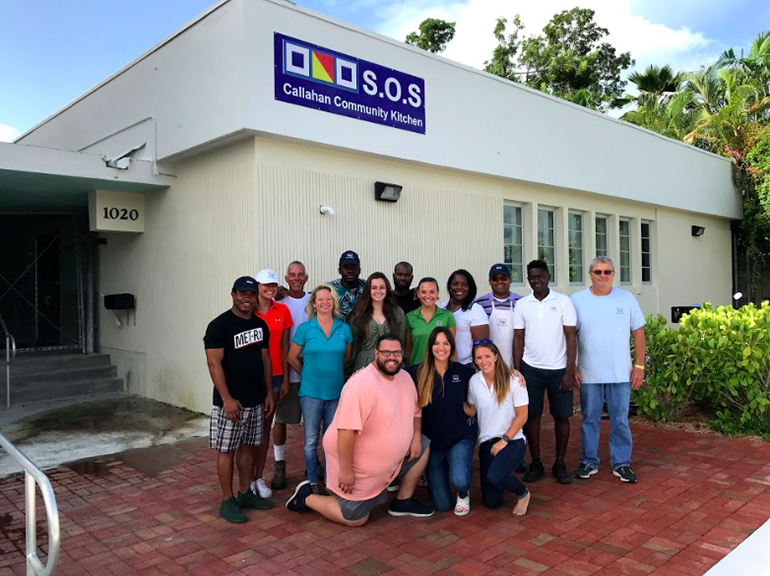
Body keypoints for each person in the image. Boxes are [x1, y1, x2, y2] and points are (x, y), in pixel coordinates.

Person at [285, 334, 434, 525]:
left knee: (423, 444)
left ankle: (403, 501)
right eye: (386, 352)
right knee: (356, 518)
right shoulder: (361, 384)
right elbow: (346, 431)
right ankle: (306, 497)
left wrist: (414, 437)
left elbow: (416, 412)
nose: (392, 357)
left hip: (389, 460)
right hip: (355, 465)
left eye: (396, 352)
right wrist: (346, 471)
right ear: (376, 353)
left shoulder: (404, 377)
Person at [203, 276, 275, 523]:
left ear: (256, 297)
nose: (247, 297)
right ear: (233, 294)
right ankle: (227, 500)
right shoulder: (219, 326)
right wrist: (226, 398)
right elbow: (214, 363)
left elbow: (266, 360)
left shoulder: (260, 325)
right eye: (242, 293)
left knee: (248, 448)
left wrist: (268, 393)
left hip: (255, 399)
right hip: (231, 403)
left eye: (251, 293)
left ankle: (245, 493)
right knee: (227, 451)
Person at [571, 256, 646, 483]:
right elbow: (569, 336)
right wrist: (572, 366)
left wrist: (639, 366)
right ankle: (588, 461)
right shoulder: (577, 300)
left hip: (620, 374)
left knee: (620, 420)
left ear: (614, 274)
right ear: (590, 274)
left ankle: (621, 463)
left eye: (607, 272)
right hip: (589, 374)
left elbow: (639, 333)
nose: (602, 276)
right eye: (598, 272)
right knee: (590, 419)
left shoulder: (627, 299)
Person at [513, 260, 577, 485]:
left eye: (539, 276)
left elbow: (571, 337)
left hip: (559, 369)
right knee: (532, 416)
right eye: (531, 277)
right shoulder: (522, 304)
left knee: (562, 416)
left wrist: (569, 371)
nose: (535, 280)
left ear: (548, 276)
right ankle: (536, 462)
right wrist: (518, 370)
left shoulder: (563, 302)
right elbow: (518, 338)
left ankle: (560, 463)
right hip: (531, 370)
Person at [287, 285, 353, 491]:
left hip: (335, 392)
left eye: (329, 299)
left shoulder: (344, 329)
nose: (325, 302)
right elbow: (291, 357)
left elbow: (346, 357)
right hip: (311, 393)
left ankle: (330, 480)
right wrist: (306, 371)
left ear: (334, 302)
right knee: (311, 440)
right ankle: (313, 482)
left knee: (331, 440)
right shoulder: (305, 329)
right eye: (320, 299)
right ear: (313, 303)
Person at [406, 327, 476, 515]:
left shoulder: (463, 372)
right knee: (442, 504)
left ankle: (463, 492)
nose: (441, 348)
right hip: (433, 444)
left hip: (460, 437)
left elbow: (490, 375)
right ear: (430, 347)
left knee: (460, 480)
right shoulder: (417, 372)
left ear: (451, 347)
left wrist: (514, 374)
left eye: (446, 343)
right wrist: (366, 371)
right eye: (436, 343)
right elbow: (390, 373)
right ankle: (441, 471)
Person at [465, 340, 531, 516]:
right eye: (479, 357)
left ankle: (523, 493)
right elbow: (471, 410)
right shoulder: (474, 381)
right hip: (487, 444)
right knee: (492, 502)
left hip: (512, 441)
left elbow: (523, 415)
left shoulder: (514, 380)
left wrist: (504, 440)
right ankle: (501, 477)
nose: (483, 361)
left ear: (495, 357)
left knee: (495, 476)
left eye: (487, 356)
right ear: (475, 361)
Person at [250, 269, 294, 498]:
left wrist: (286, 378)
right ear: (257, 286)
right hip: (251, 377)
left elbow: (285, 347)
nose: (270, 288)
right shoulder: (248, 310)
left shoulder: (283, 310)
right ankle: (247, 479)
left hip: (276, 376)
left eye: (273, 285)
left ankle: (258, 477)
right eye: (266, 284)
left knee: (265, 427)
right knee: (249, 430)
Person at [271, 261, 310, 490]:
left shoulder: (314, 300)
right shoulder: (278, 301)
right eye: (292, 275)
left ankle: (311, 464)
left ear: (306, 278)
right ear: (286, 278)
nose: (296, 278)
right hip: (288, 371)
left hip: (311, 372)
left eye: (300, 274)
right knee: (282, 420)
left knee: (312, 422)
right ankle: (279, 464)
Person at [348, 272, 406, 372]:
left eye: (382, 287)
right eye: (374, 288)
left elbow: (401, 343)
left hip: (391, 364)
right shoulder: (358, 315)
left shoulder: (397, 313)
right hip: (365, 365)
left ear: (387, 289)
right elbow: (354, 347)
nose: (378, 291)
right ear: (368, 290)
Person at [475, 264, 523, 369]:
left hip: (517, 361)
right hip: (489, 363)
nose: (500, 282)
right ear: (490, 282)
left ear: (510, 280)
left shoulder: (521, 302)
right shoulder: (480, 304)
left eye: (504, 278)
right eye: (495, 279)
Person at [441, 269, 489, 365]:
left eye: (464, 284)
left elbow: (482, 345)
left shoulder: (475, 310)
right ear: (450, 287)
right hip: (443, 363)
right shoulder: (442, 307)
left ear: (470, 288)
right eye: (455, 284)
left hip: (466, 365)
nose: (459, 287)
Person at [405, 277, 456, 365]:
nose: (428, 296)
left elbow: (452, 347)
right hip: (416, 369)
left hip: (440, 369)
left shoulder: (447, 316)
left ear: (437, 293)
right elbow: (408, 349)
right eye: (423, 292)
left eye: (432, 292)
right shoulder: (410, 317)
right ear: (418, 294)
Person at [328, 250, 366, 322]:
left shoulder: (368, 287)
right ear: (339, 270)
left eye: (353, 267)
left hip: (362, 331)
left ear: (359, 270)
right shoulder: (330, 289)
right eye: (346, 267)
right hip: (337, 331)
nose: (350, 271)